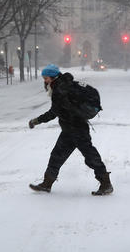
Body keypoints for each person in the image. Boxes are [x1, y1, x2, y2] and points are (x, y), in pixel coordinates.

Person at [28, 64, 113, 196]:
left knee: (90, 156)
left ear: (53, 77)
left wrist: (36, 121)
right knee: (57, 156)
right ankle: (47, 184)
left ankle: (106, 184)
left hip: (77, 129)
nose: (45, 81)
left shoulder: (60, 89)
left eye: (46, 78)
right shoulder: (64, 85)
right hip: (70, 128)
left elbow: (53, 112)